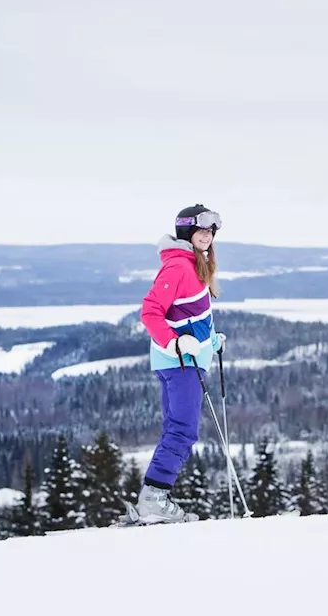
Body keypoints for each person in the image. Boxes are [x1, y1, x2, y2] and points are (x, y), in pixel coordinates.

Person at [134, 204, 227, 523]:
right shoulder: (178, 267)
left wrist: (213, 341)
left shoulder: (195, 265)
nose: (208, 234)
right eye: (201, 229)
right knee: (183, 431)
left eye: (212, 230)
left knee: (177, 428)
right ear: (186, 231)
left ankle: (154, 497)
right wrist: (172, 343)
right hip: (179, 363)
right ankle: (154, 498)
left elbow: (195, 316)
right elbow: (150, 312)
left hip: (187, 361)